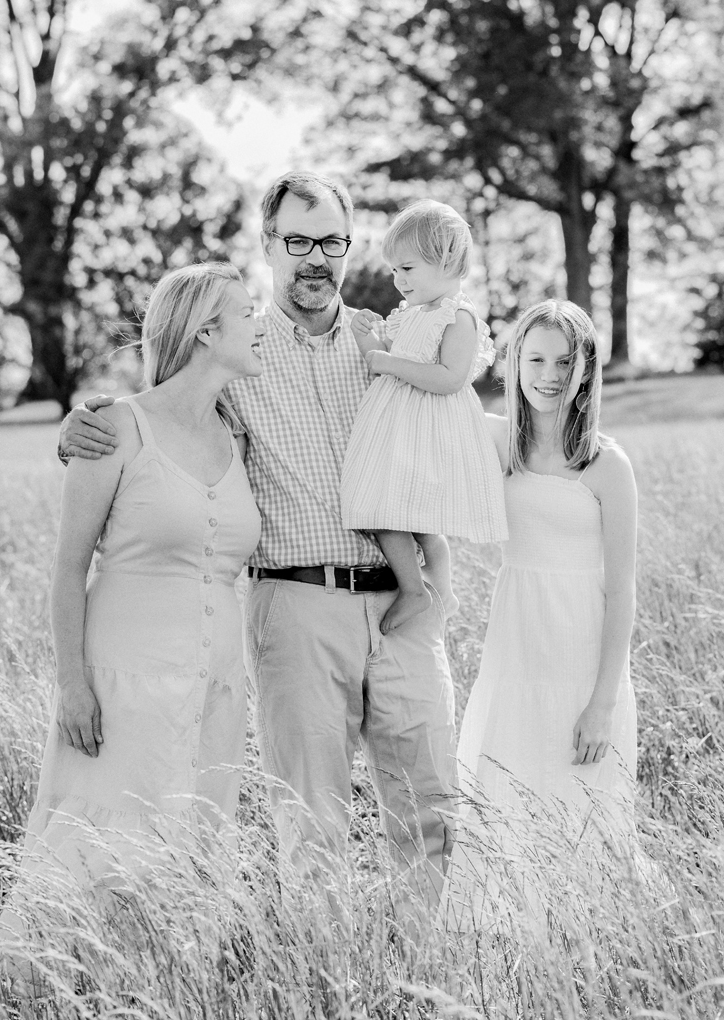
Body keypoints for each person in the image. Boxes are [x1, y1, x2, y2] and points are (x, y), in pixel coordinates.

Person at [57, 171, 457, 914]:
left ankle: (423, 978)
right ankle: (327, 977)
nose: (316, 258)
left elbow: (457, 426)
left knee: (432, 808)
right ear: (268, 244)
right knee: (312, 822)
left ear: (348, 245)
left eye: (331, 241)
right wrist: (79, 427)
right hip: (297, 606)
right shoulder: (238, 349)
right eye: (297, 241)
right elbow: (160, 418)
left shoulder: (390, 342)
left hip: (406, 605)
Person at [0, 263, 263, 992]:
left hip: (215, 691)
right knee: (102, 844)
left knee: (194, 842)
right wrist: (71, 685)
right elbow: (67, 568)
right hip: (120, 686)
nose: (258, 322)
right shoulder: (115, 425)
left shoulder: (240, 434)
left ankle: (165, 991)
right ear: (207, 330)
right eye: (246, 311)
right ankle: (46, 991)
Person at [443, 299, 638, 928]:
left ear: (585, 370)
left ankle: (589, 956)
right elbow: (426, 413)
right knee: (503, 799)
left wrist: (602, 702)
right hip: (517, 649)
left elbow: (623, 591)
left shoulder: (607, 464)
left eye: (565, 360)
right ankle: (503, 955)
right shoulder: (499, 438)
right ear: (513, 363)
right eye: (535, 359)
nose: (549, 374)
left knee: (585, 813)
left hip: (584, 661)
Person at [341, 200, 508, 630]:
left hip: (427, 431)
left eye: (407, 268)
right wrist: (369, 342)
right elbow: (384, 359)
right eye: (394, 270)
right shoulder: (411, 316)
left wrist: (387, 361)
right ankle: (418, 588)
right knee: (381, 510)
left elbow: (451, 377)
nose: (397, 280)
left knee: (418, 518)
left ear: (447, 260)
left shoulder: (459, 316)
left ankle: (439, 591)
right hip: (395, 432)